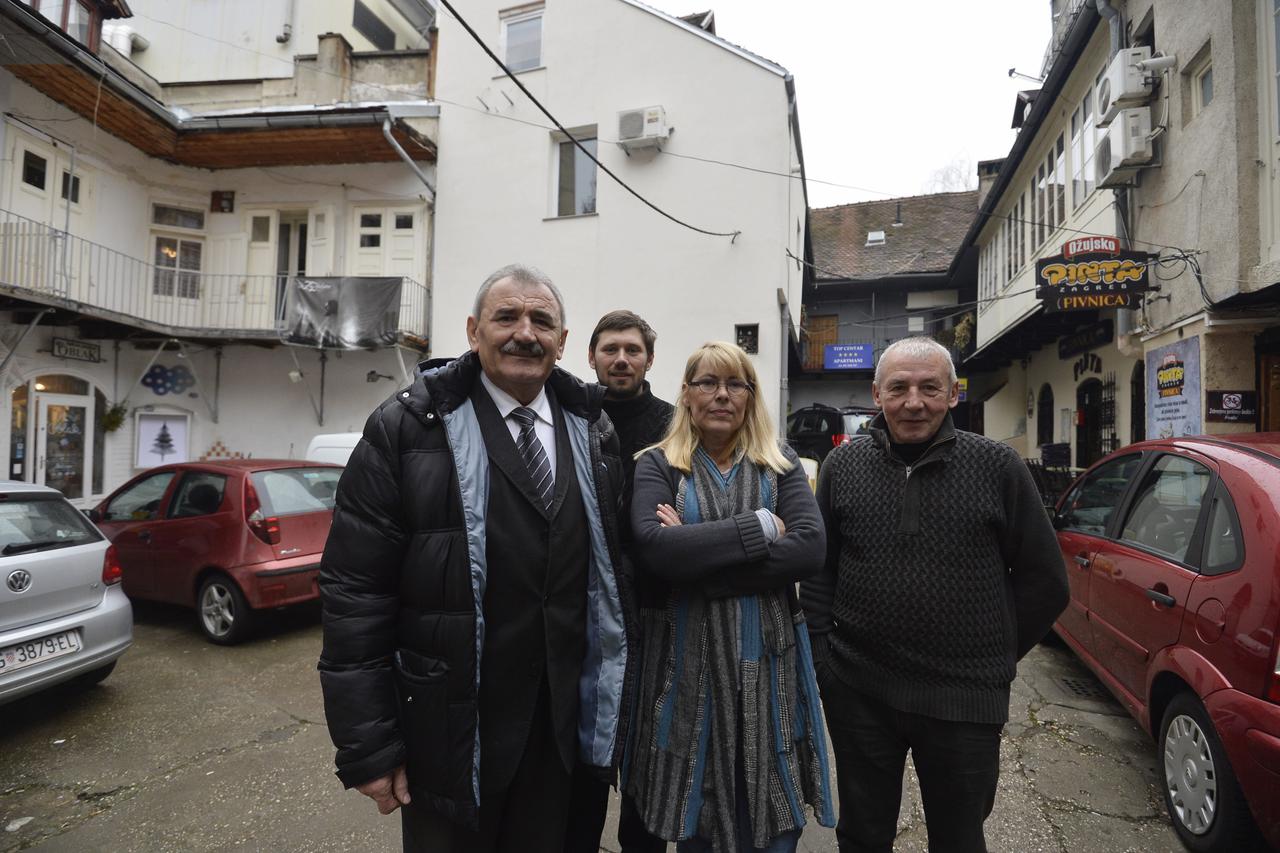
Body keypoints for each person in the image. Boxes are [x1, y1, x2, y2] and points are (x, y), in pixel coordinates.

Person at [317, 263, 634, 853]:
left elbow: (613, 584)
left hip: (563, 737)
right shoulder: (407, 428)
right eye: (506, 316)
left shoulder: (596, 432)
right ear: (472, 330)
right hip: (451, 736)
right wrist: (368, 746)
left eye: (542, 320)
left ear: (563, 342)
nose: (525, 332)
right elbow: (355, 591)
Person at [799, 337, 1069, 853]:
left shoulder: (997, 466)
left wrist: (992, 658)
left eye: (929, 388)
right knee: (862, 834)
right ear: (876, 394)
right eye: (898, 388)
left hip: (962, 701)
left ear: (953, 394)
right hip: (860, 691)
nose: (914, 402)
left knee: (958, 838)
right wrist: (824, 660)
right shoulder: (843, 466)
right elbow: (819, 568)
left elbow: (1046, 582)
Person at [624, 341, 834, 853]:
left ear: (749, 395)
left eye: (734, 384)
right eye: (707, 383)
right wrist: (763, 526)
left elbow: (809, 549)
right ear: (687, 395)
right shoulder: (656, 465)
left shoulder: (779, 461)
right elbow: (655, 551)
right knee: (696, 805)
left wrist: (698, 558)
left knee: (769, 797)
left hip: (768, 663)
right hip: (684, 663)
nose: (721, 395)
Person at [566, 310, 674, 853]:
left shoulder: (675, 423)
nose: (621, 359)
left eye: (632, 350)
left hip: (657, 609)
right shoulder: (571, 417)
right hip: (587, 610)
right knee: (584, 753)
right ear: (591, 356)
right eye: (610, 349)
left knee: (647, 757)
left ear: (649, 359)